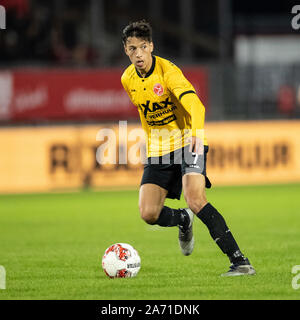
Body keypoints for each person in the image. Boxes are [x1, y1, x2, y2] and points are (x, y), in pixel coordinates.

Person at [121, 20, 255, 276]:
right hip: (159, 149)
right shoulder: (127, 79)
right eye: (132, 48)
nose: (137, 54)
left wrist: (195, 133)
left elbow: (196, 106)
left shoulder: (169, 73)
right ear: (126, 51)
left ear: (151, 46)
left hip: (187, 141)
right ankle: (183, 219)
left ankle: (240, 261)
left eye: (142, 47)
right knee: (148, 213)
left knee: (195, 199)